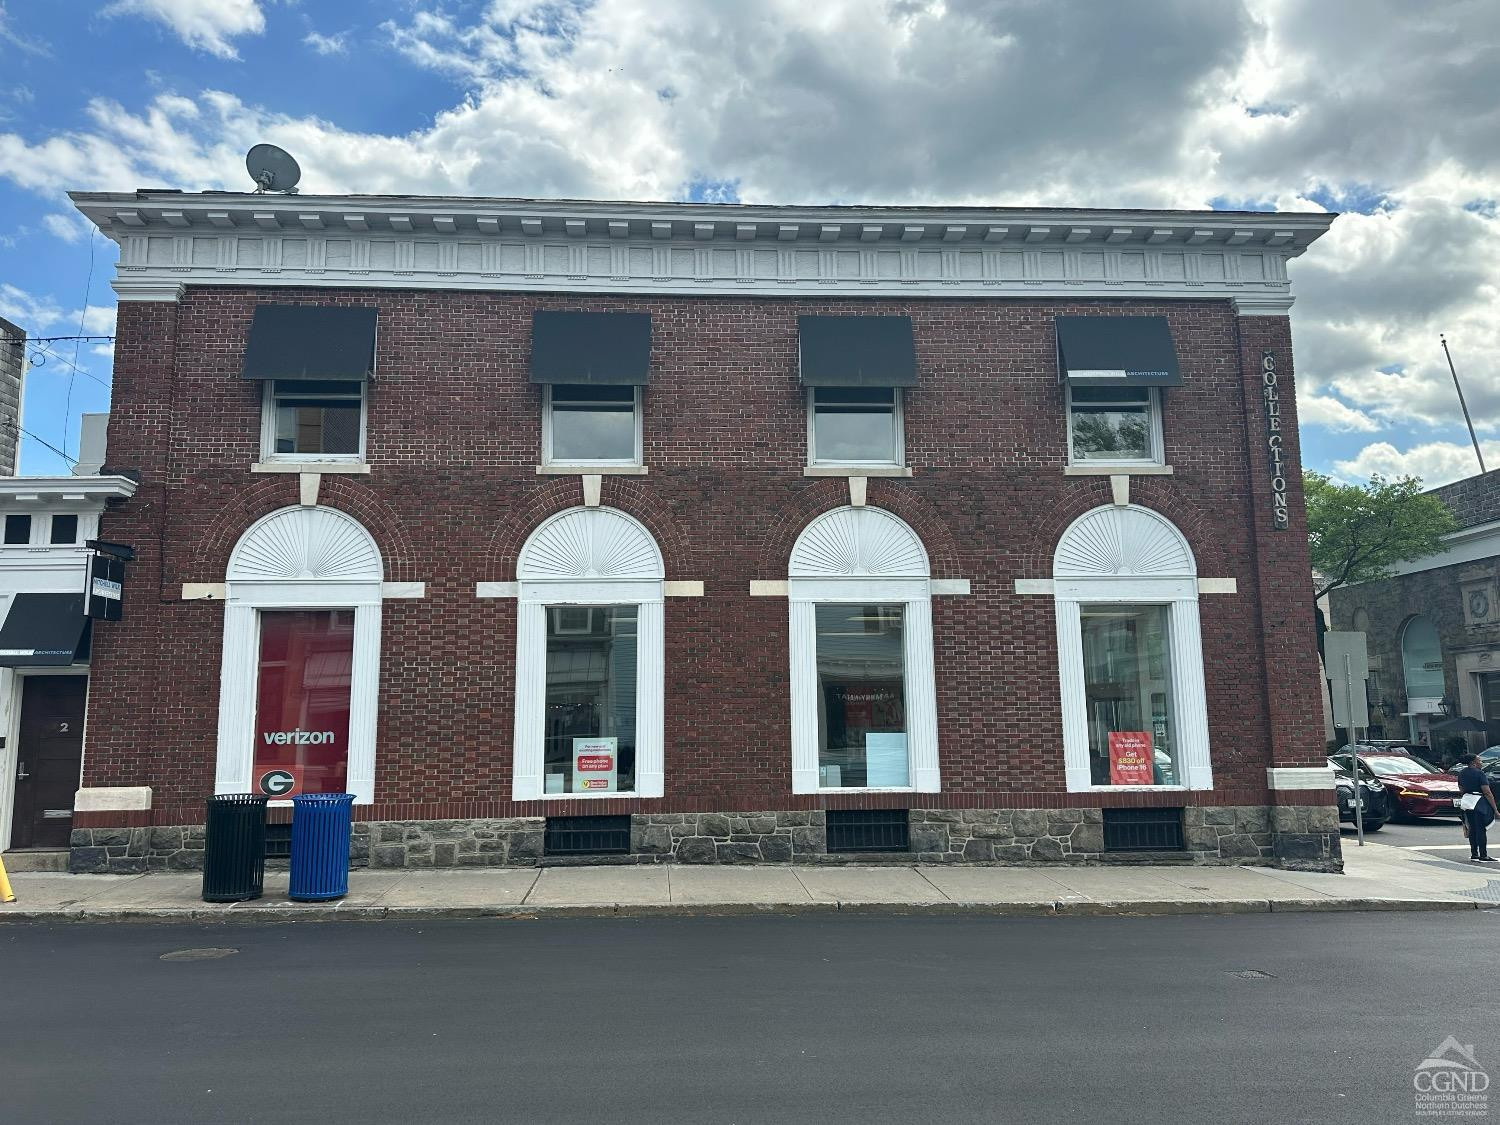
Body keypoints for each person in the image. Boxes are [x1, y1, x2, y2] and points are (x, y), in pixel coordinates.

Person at [1456, 752, 1497, 862]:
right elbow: (1487, 792)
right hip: (1478, 801)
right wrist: (1495, 809)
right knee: (1481, 829)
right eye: (1479, 760)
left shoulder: (1461, 773)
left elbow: (1461, 788)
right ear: (1473, 763)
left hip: (1466, 802)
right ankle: (1483, 855)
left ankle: (1474, 853)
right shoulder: (1479, 774)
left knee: (1472, 828)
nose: (1481, 762)